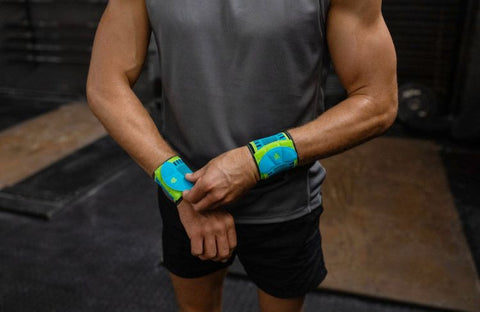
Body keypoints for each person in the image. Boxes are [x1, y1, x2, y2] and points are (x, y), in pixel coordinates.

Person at [86, 0, 397, 311]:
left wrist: (256, 161)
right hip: (187, 197)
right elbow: (105, 85)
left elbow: (377, 101)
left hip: (283, 203)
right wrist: (181, 187)